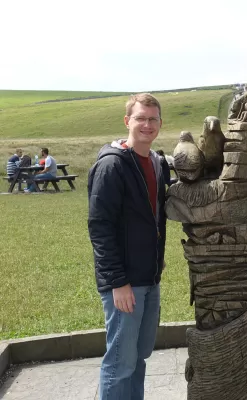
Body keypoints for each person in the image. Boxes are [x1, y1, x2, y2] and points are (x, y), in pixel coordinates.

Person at [87, 93, 167, 400]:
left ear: (160, 123)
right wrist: (118, 282)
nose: (147, 125)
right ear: (127, 121)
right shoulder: (112, 166)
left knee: (137, 358)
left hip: (150, 278)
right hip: (125, 284)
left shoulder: (157, 163)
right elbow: (100, 228)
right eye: (140, 118)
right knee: (120, 362)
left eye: (153, 119)